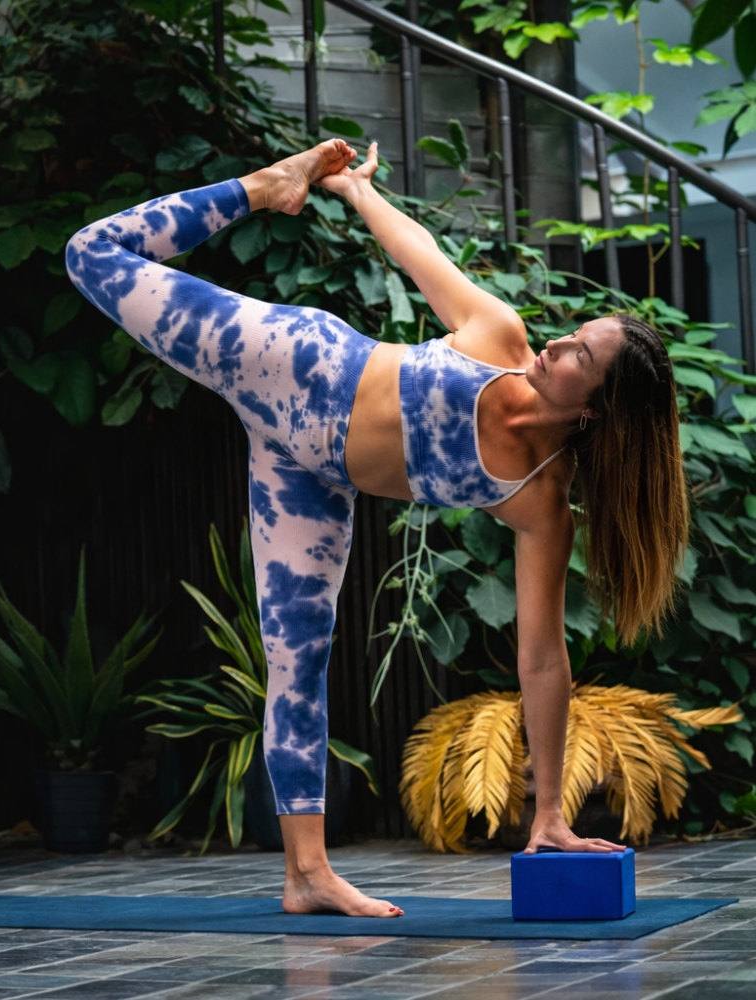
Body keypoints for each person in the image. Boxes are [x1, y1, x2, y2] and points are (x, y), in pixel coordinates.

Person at [66, 139, 689, 918]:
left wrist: (550, 812)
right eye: (573, 333)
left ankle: (307, 874)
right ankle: (263, 187)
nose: (558, 342)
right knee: (91, 254)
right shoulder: (499, 338)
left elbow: (541, 659)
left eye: (578, 355)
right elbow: (417, 253)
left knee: (297, 659)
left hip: (308, 475)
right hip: (295, 363)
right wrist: (360, 193)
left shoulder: (538, 501)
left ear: (596, 408)